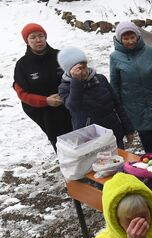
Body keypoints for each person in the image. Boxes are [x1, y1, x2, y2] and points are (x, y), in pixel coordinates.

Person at [110, 21, 152, 163]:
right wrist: (117, 107)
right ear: (120, 39)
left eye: (132, 37)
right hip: (133, 105)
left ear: (138, 36)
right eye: (126, 38)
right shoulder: (115, 57)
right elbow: (115, 84)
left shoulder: (149, 52)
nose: (130, 41)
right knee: (145, 135)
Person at [57, 47, 134, 149]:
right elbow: (74, 107)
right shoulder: (64, 88)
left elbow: (117, 104)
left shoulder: (100, 79)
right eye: (78, 69)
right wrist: (76, 82)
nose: (83, 72)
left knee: (119, 161)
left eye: (84, 67)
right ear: (69, 70)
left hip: (113, 132)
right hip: (91, 139)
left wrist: (128, 129)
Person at [13, 23, 72, 152]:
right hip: (46, 113)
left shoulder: (60, 56)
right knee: (62, 147)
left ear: (45, 37)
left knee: (83, 141)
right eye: (33, 37)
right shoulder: (22, 65)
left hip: (70, 106)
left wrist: (66, 94)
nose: (38, 40)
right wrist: (46, 101)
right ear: (27, 41)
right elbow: (22, 94)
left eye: (41, 36)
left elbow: (76, 77)